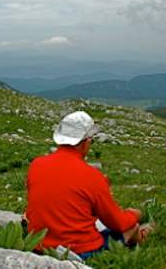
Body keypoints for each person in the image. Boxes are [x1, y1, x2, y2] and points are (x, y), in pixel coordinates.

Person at [26, 111, 151, 259]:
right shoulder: (92, 176)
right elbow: (117, 222)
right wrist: (135, 214)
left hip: (39, 245)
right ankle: (142, 236)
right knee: (131, 227)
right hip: (80, 250)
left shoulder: (36, 165)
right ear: (86, 142)